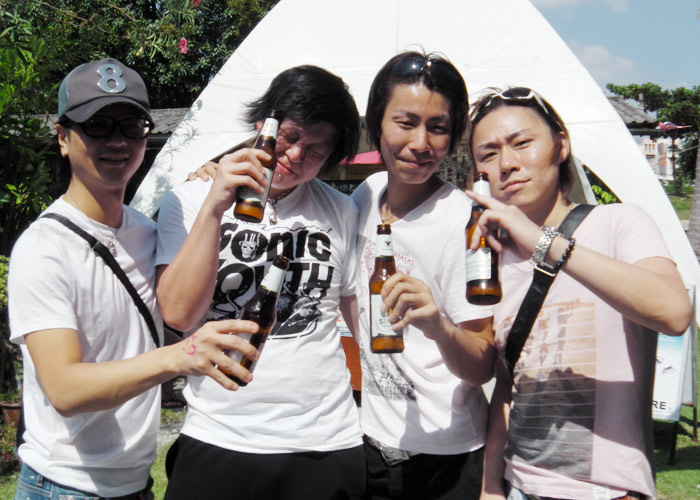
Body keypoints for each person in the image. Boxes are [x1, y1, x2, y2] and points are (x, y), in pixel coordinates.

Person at [7, 58, 262, 500]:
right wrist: (179, 357)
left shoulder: (147, 232)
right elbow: (64, 388)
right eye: (98, 126)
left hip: (135, 484)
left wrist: (204, 190)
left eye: (131, 127)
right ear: (64, 138)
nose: (117, 141)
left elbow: (177, 314)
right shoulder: (43, 248)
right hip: (63, 486)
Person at [466, 87, 692, 500]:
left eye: (522, 143)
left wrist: (544, 242)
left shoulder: (618, 223)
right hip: (520, 484)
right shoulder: (491, 262)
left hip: (608, 490)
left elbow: (674, 312)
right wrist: (491, 486)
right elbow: (509, 384)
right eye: (489, 153)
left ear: (561, 145)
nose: (507, 164)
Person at [156, 65, 366, 500]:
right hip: (219, 430)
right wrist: (214, 206)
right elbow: (176, 315)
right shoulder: (190, 198)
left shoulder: (342, 210)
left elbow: (359, 319)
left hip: (324, 439)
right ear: (264, 124)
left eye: (316, 149)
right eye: (290, 136)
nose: (295, 155)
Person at [351, 51, 496, 500]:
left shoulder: (465, 222)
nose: (420, 143)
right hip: (369, 440)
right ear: (377, 125)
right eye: (405, 122)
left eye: (437, 127)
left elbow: (483, 362)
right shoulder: (365, 194)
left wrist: (438, 326)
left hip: (446, 456)